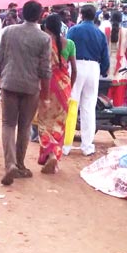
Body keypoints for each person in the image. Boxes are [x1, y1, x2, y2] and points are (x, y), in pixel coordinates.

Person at [0, 0, 51, 185]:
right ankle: (20, 164)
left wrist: (3, 76)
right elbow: (45, 70)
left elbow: (1, 57)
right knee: (25, 125)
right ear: (40, 15)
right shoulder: (44, 38)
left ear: (21, 13)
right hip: (31, 86)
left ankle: (10, 164)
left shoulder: (8, 31)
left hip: (9, 82)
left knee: (8, 124)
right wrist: (46, 95)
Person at [65, 4, 109, 157]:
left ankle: (66, 145)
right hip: (93, 68)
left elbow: (66, 49)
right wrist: (103, 70)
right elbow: (105, 57)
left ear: (81, 15)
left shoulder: (74, 30)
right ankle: (87, 146)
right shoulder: (99, 33)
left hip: (76, 66)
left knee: (71, 105)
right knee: (88, 107)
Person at [37, 14, 76, 174]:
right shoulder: (70, 43)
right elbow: (75, 69)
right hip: (64, 86)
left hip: (47, 85)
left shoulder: (44, 42)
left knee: (44, 121)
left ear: (46, 27)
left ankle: (49, 153)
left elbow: (40, 67)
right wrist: (70, 87)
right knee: (59, 123)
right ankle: (55, 155)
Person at [105, 11, 127, 106]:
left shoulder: (105, 30)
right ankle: (118, 117)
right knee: (119, 96)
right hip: (122, 66)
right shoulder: (126, 31)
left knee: (105, 96)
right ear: (121, 20)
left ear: (110, 19)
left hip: (107, 66)